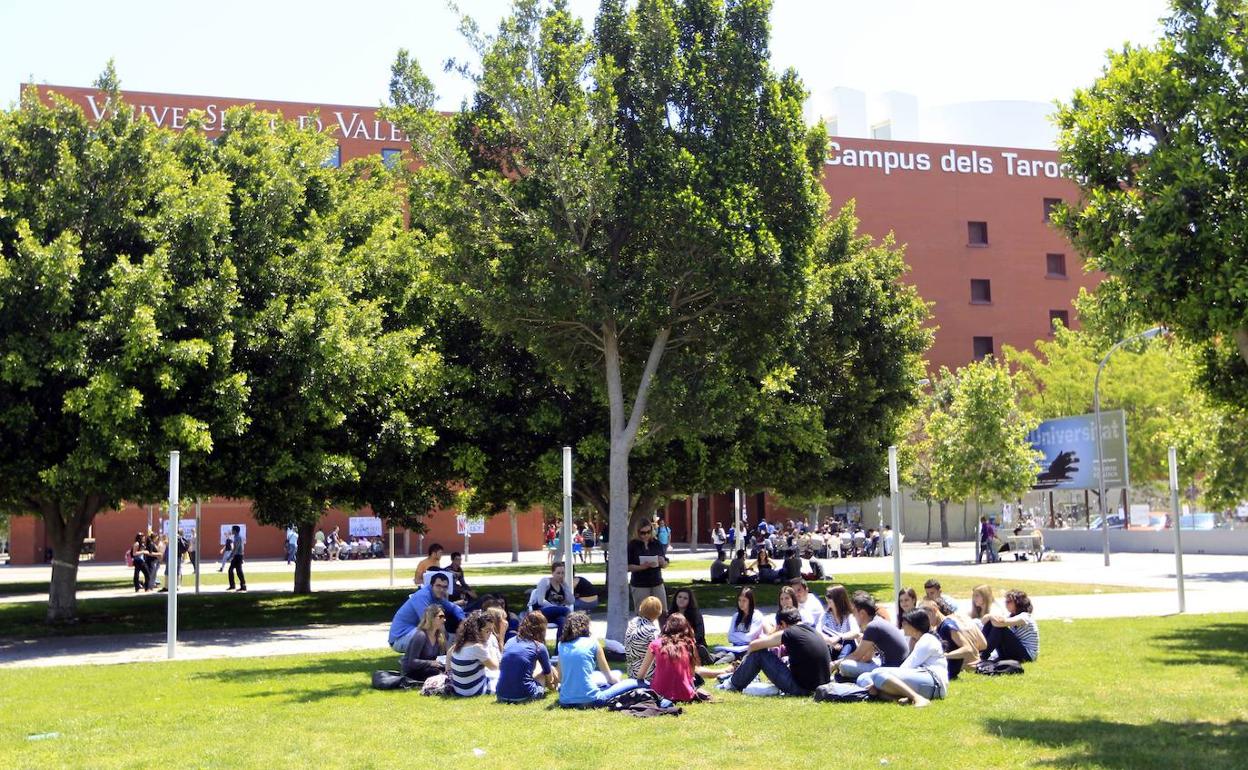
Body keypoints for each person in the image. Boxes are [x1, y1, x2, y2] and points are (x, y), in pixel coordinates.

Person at [725, 608, 831, 696]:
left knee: (759, 654)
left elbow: (754, 645)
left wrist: (745, 660)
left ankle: (732, 685)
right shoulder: (813, 631)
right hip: (820, 686)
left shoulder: (789, 632)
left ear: (783, 624)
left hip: (801, 689)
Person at [856, 608, 949, 707]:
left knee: (877, 674)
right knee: (863, 677)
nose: (902, 625)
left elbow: (908, 666)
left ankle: (917, 698)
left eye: (905, 623)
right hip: (921, 682)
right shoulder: (912, 639)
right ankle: (899, 698)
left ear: (914, 626)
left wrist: (882, 679)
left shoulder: (928, 639)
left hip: (934, 684)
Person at [636, 613, 728, 702]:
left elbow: (641, 675)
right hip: (685, 694)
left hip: (659, 693)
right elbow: (692, 674)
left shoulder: (655, 644)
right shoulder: (689, 644)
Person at [557, 612, 643, 707]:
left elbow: (560, 678)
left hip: (565, 701)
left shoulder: (561, 645)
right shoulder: (593, 643)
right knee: (632, 682)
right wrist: (618, 683)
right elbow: (609, 678)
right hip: (592, 699)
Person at [833, 591, 909, 680]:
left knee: (844, 665)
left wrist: (834, 664)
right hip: (893, 665)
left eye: (854, 612)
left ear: (862, 613)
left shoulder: (872, 627)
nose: (853, 616)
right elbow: (867, 657)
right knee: (850, 665)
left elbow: (856, 656)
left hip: (891, 669)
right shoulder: (877, 622)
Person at [388, 572, 466, 652]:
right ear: (431, 586)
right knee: (432, 635)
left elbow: (454, 608)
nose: (441, 590)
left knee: (448, 635)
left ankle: (449, 658)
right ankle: (410, 661)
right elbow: (430, 623)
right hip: (399, 638)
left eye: (444, 587)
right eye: (438, 586)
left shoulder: (437, 597)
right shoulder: (422, 596)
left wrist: (463, 622)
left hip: (413, 633)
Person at [496, 611, 555, 703]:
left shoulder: (510, 641)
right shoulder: (538, 647)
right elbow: (548, 673)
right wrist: (552, 687)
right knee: (546, 671)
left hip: (501, 695)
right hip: (524, 695)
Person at [918, 600, 977, 680]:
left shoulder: (948, 626)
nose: (926, 621)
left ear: (934, 610)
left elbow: (967, 649)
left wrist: (946, 656)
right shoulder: (938, 627)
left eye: (926, 616)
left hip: (948, 670)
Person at [980, 589, 1040, 663]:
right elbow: (983, 622)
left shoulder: (1025, 616)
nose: (1006, 604)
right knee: (991, 623)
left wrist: (992, 618)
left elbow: (999, 624)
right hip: (1016, 652)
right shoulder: (1011, 616)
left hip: (1027, 656)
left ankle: (982, 656)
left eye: (1009, 602)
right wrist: (990, 616)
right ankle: (979, 652)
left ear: (1018, 602)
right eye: (1006, 601)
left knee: (999, 628)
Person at [449, 611, 500, 696]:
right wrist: (491, 648)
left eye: (492, 630)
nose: (490, 634)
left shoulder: (460, 643)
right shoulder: (477, 647)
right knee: (504, 677)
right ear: (477, 630)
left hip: (459, 690)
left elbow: (449, 654)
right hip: (474, 691)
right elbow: (495, 667)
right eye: (488, 630)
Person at [713, 587, 769, 660]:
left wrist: (736, 636)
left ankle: (717, 662)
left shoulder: (757, 616)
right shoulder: (736, 616)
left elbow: (749, 638)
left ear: (750, 601)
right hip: (735, 647)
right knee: (721, 653)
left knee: (730, 655)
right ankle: (710, 658)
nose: (741, 603)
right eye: (739, 600)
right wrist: (741, 637)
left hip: (748, 648)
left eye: (744, 601)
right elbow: (730, 637)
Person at [627, 522, 668, 613]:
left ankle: (665, 628)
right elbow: (627, 566)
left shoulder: (656, 543)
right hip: (640, 584)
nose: (646, 535)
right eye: (643, 533)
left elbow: (665, 563)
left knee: (663, 611)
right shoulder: (633, 545)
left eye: (648, 532)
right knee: (642, 612)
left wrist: (662, 562)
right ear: (637, 532)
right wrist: (641, 567)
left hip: (657, 581)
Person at [400, 605, 447, 681]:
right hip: (413, 671)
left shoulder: (439, 636)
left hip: (427, 668)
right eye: (441, 617)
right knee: (437, 673)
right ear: (431, 618)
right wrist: (430, 663)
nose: (444, 620)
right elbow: (412, 662)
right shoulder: (421, 636)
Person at [816, 584, 860, 658]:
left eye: (829, 596)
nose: (827, 598)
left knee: (849, 643)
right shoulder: (825, 615)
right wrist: (829, 641)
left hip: (846, 644)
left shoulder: (849, 615)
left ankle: (838, 664)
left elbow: (856, 632)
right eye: (826, 595)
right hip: (830, 644)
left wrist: (840, 637)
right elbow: (818, 631)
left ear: (838, 599)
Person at [669, 587, 711, 664]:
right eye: (679, 597)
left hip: (694, 645)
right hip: (676, 645)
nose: (681, 599)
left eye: (685, 598)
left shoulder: (695, 615)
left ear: (689, 601)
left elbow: (700, 634)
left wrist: (686, 642)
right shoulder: (671, 614)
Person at [624, 596, 663, 679]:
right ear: (658, 612)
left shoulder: (632, 623)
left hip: (631, 671)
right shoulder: (653, 632)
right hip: (646, 675)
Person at [226, 525, 246, 592]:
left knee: (237, 571)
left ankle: (242, 585)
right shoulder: (235, 537)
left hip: (238, 556)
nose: (231, 531)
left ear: (235, 530)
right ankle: (234, 585)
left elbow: (235, 548)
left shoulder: (238, 537)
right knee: (234, 570)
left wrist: (230, 557)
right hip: (237, 555)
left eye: (232, 530)